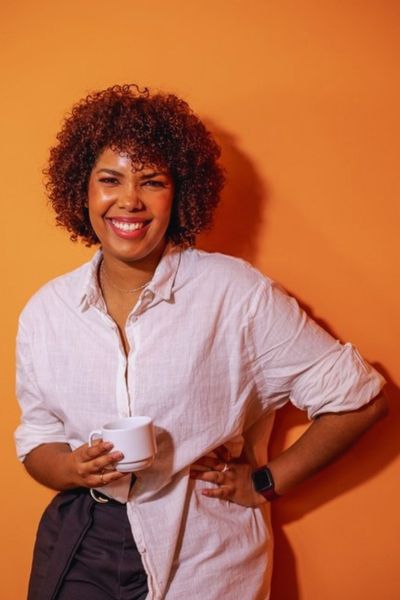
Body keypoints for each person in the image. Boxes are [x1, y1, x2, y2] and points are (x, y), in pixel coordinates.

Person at [15, 84, 386, 600]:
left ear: (180, 193)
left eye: (152, 181)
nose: (129, 200)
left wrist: (264, 482)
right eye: (110, 179)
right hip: (83, 539)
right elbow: (37, 438)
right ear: (83, 189)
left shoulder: (234, 295)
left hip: (203, 547)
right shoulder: (46, 312)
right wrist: (71, 468)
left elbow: (360, 400)